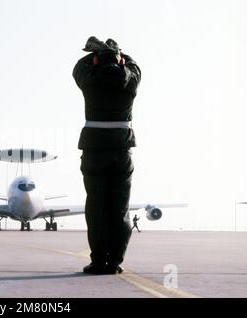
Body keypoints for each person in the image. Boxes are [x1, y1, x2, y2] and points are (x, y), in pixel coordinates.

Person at [73, 36, 141, 275]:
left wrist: (99, 53)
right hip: (121, 150)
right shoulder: (130, 82)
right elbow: (134, 66)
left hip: (94, 150)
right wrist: (116, 53)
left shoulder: (90, 80)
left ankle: (98, 260)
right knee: (119, 208)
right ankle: (115, 261)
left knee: (96, 207)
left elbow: (79, 68)